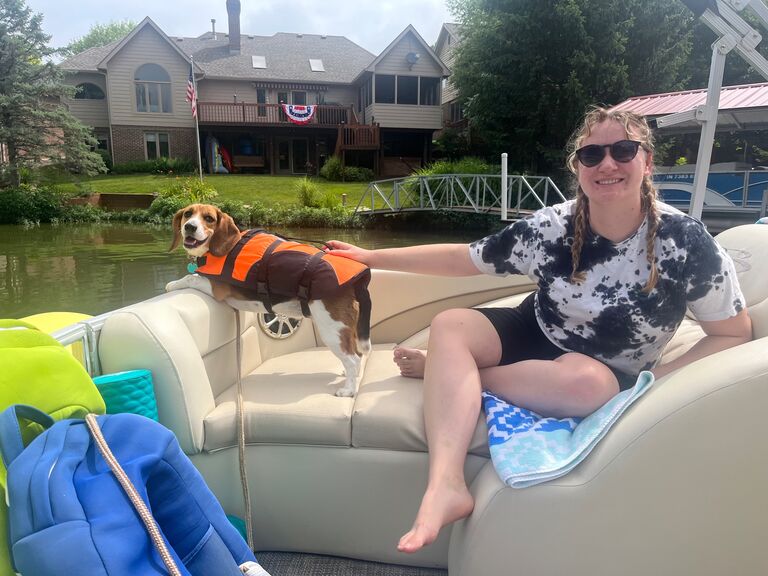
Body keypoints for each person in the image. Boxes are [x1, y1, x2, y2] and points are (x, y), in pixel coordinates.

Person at [325, 107, 753, 554]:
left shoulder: (685, 241)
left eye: (623, 150)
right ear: (578, 168)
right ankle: (446, 484)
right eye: (591, 154)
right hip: (535, 329)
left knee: (586, 385)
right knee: (451, 323)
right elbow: (462, 259)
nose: (607, 164)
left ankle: (448, 372)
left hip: (603, 369)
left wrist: (650, 385)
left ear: (646, 161)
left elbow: (731, 332)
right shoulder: (553, 226)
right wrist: (371, 257)